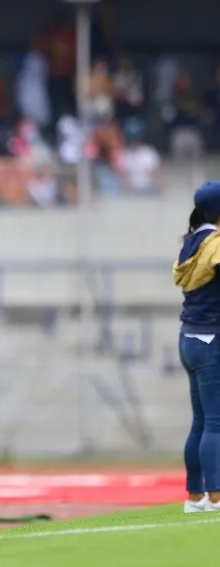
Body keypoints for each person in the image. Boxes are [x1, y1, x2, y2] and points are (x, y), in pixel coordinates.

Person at [174, 181, 220, 514]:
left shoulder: (191, 241)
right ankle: (217, 497)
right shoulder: (216, 244)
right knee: (216, 423)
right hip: (210, 339)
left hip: (189, 339)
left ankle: (195, 497)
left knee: (201, 421)